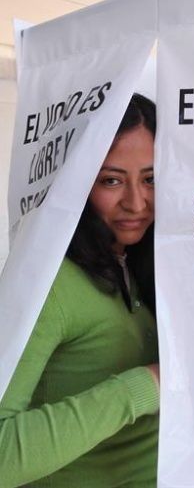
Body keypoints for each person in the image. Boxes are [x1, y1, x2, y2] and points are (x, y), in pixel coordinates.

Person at [0, 94, 160, 486]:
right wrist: (147, 385)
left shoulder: (144, 264)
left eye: (151, 179)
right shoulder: (50, 283)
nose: (136, 202)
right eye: (111, 180)